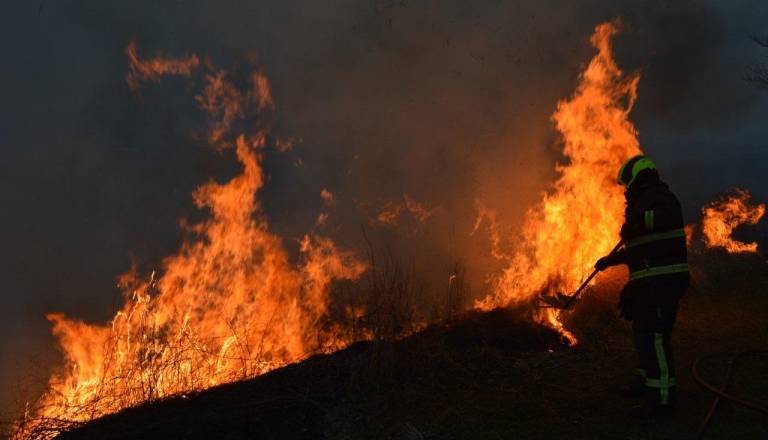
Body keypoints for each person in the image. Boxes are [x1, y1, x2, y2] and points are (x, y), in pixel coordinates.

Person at [594, 155, 689, 418]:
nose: (626, 189)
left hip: (664, 281)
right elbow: (640, 247)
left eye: (627, 182)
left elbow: (664, 218)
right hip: (648, 281)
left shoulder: (661, 197)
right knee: (643, 336)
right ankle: (646, 383)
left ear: (638, 176)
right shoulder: (642, 202)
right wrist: (611, 260)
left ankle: (662, 400)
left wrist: (637, 223)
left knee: (656, 338)